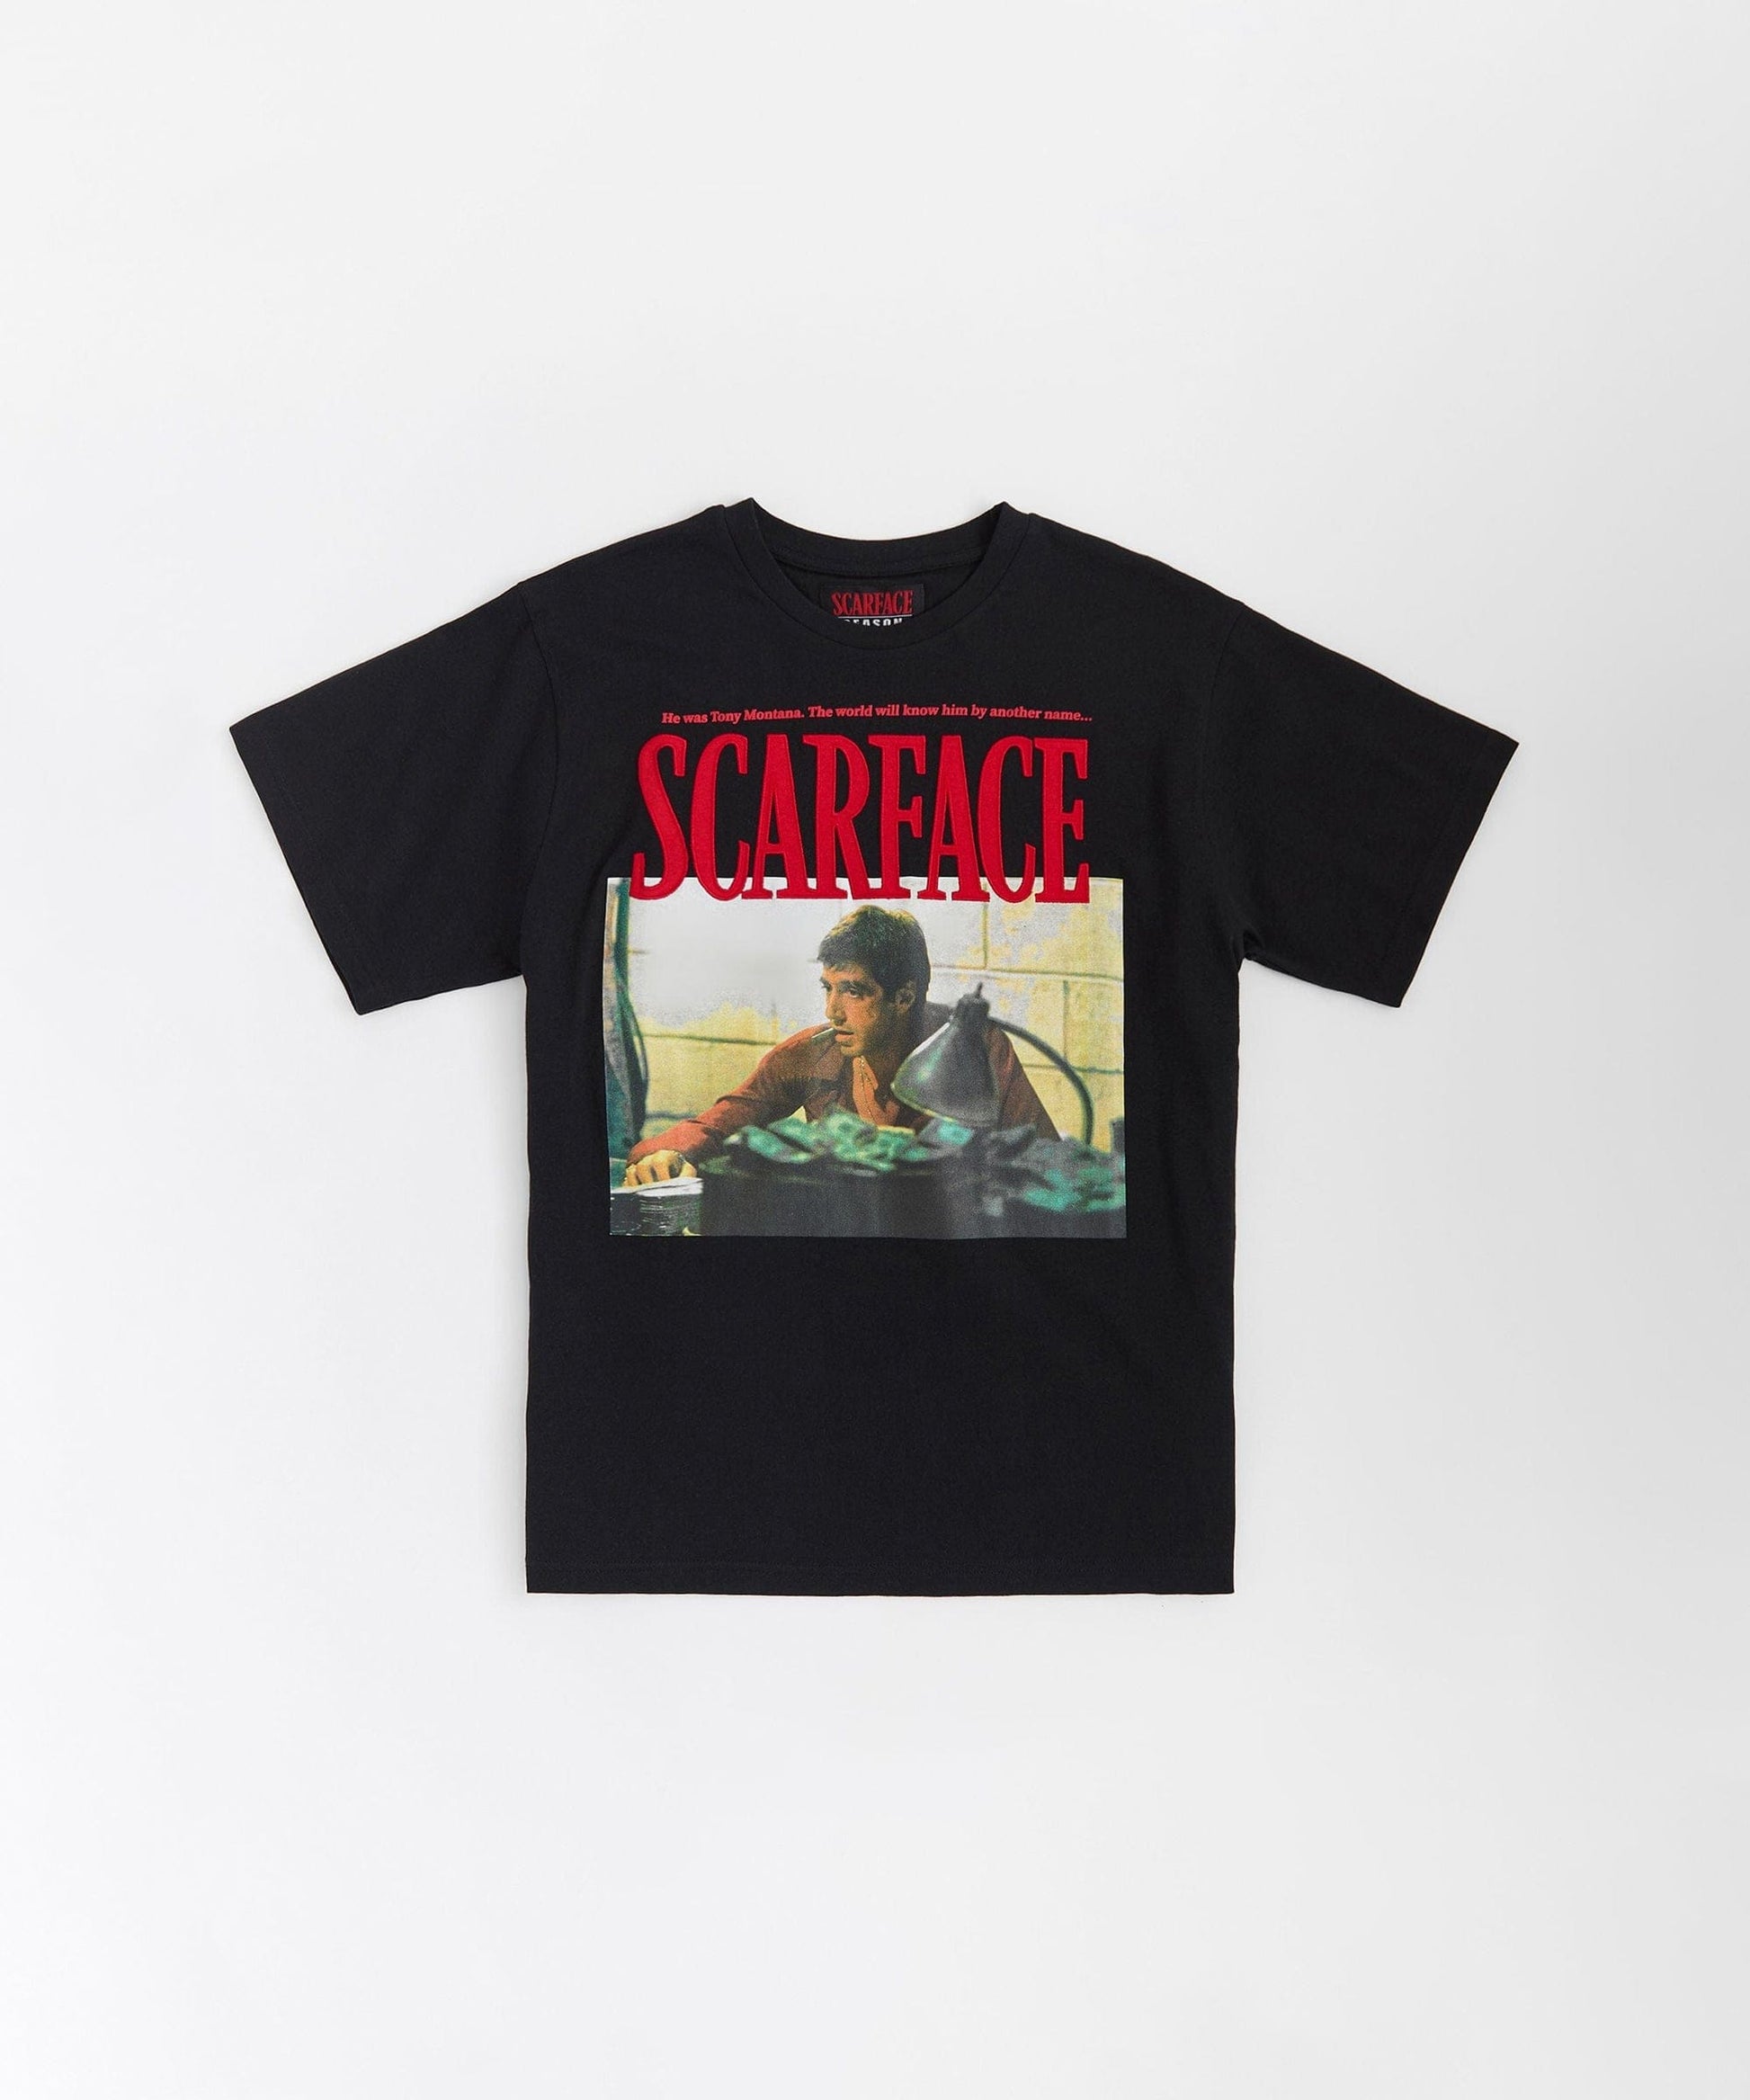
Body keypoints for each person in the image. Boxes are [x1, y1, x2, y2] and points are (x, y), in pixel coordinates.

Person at [621, 906, 1058, 1184]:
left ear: (903, 996)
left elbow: (1050, 1161)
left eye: (853, 991)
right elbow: (716, 1124)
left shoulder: (971, 1048)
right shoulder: (811, 1053)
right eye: (827, 988)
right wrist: (671, 1153)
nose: (832, 1011)